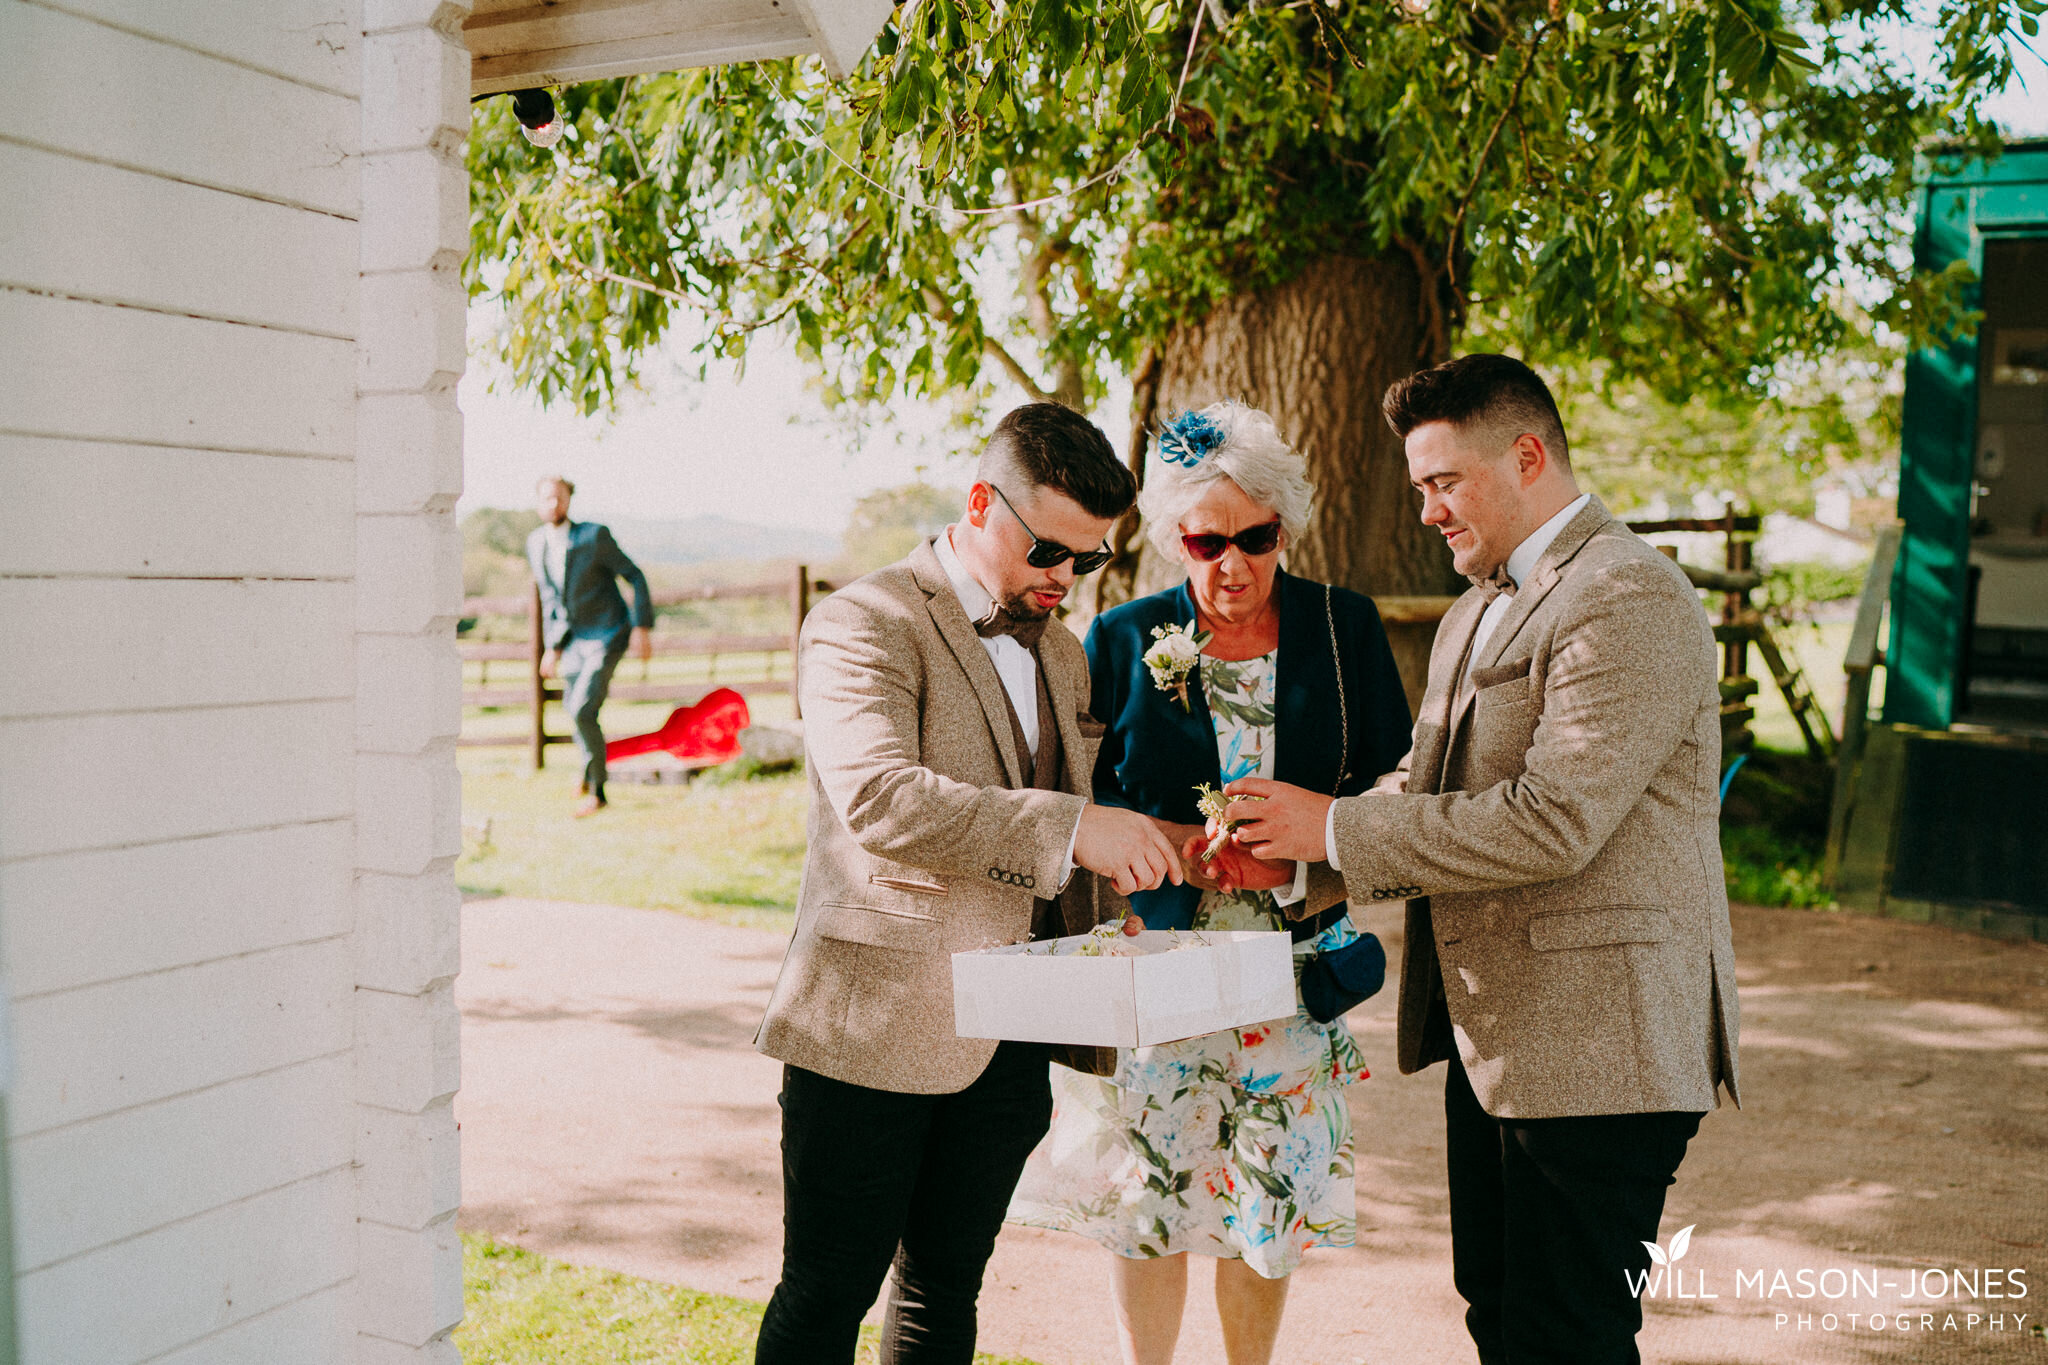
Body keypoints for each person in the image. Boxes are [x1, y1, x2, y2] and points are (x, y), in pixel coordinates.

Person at [1223, 355, 1741, 1365]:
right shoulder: (1474, 606)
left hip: (1603, 1051)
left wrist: (1326, 826)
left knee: (1567, 1333)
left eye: (1440, 482)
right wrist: (1285, 857)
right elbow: (1423, 788)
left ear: (1527, 455)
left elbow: (1554, 819)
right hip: (1495, 1041)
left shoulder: (1624, 591)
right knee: (1499, 1315)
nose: (1425, 510)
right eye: (1417, 487)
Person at [753, 403, 1186, 1365]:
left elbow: (1059, 832)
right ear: (981, 501)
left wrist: (1130, 910)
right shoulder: (862, 620)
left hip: (1011, 1036)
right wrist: (1079, 829)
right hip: (872, 1028)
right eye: (1048, 552)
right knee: (826, 1293)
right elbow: (883, 800)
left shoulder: (1066, 651)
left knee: (945, 1292)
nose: (1065, 579)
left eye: (1089, 559)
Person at [1007, 402, 1413, 1365]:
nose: (1231, 564)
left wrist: (1308, 848)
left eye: (1255, 538)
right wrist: (1172, 842)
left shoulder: (1342, 627)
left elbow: (1401, 786)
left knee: (1274, 1188)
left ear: (1286, 527)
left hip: (1294, 968)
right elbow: (1082, 794)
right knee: (1151, 1192)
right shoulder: (1123, 634)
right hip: (1159, 968)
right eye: (1206, 541)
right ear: (1172, 539)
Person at [525, 476, 653, 817]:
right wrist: (553, 647)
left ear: (569, 500)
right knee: (574, 708)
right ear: (538, 502)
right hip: (575, 640)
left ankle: (597, 793)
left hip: (609, 633)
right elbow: (554, 600)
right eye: (548, 498)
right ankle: (586, 774)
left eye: (560, 497)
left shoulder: (594, 536)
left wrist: (642, 626)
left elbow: (635, 575)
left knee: (582, 709)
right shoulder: (535, 543)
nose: (554, 504)